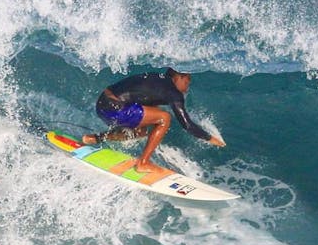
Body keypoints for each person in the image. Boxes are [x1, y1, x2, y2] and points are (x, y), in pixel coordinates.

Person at [82, 67, 226, 173]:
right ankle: (143, 163)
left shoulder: (156, 80)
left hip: (102, 104)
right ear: (179, 77)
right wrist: (211, 138)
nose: (188, 86)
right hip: (115, 108)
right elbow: (187, 125)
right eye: (188, 80)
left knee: (142, 130)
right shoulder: (173, 92)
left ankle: (94, 138)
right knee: (164, 118)